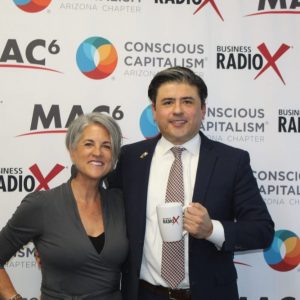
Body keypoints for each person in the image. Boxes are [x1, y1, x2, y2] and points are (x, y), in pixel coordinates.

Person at [107, 66, 275, 300]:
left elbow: (262, 231)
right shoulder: (131, 159)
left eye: (187, 101)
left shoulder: (231, 161)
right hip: (145, 294)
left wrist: (212, 230)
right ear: (154, 111)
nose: (177, 110)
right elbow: (101, 208)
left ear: (203, 109)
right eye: (167, 102)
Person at [0, 112, 128, 300]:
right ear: (72, 149)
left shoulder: (120, 202)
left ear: (114, 155)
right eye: (89, 144)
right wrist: (13, 298)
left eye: (106, 146)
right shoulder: (41, 205)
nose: (98, 152)